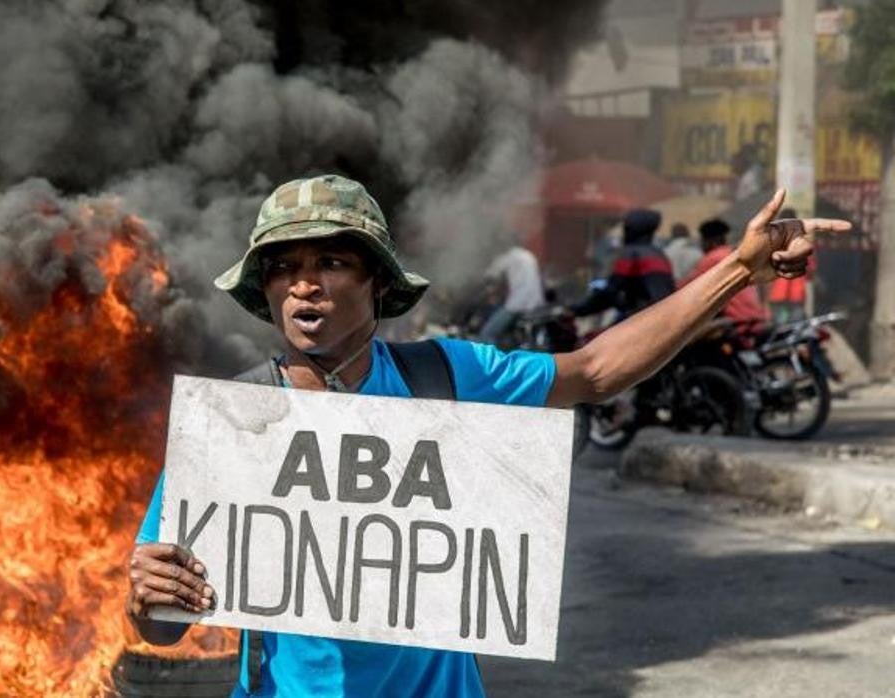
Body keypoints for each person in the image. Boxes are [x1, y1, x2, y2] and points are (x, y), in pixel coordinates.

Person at [126, 174, 844, 697]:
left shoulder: (447, 375)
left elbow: (593, 371)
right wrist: (147, 595)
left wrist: (737, 271)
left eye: (330, 262)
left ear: (377, 282)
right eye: (283, 269)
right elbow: (162, 629)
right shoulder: (233, 422)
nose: (304, 285)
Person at [569, 208, 675, 322]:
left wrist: (579, 310)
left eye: (626, 227)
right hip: (664, 316)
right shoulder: (659, 254)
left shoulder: (630, 253)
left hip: (642, 318)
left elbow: (612, 288)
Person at [680, 218, 768, 334]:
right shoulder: (736, 253)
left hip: (739, 323)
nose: (702, 245)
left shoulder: (712, 258)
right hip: (759, 319)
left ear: (710, 241)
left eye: (703, 241)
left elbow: (687, 287)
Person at [476, 243, 545, 344]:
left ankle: (493, 358)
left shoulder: (507, 257)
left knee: (486, 334)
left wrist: (483, 287)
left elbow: (490, 275)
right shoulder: (528, 255)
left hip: (518, 303)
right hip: (537, 302)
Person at [767, 207, 812, 324]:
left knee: (779, 332)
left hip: (778, 293)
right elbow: (811, 269)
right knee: (794, 331)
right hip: (796, 294)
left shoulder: (773, 243)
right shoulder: (804, 243)